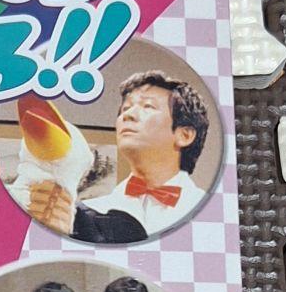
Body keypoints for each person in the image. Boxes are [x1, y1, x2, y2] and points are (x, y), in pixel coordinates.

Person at [24, 71, 211, 243]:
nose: (127, 115)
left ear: (184, 135)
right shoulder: (81, 214)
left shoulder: (213, 213)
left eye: (148, 106)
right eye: (125, 108)